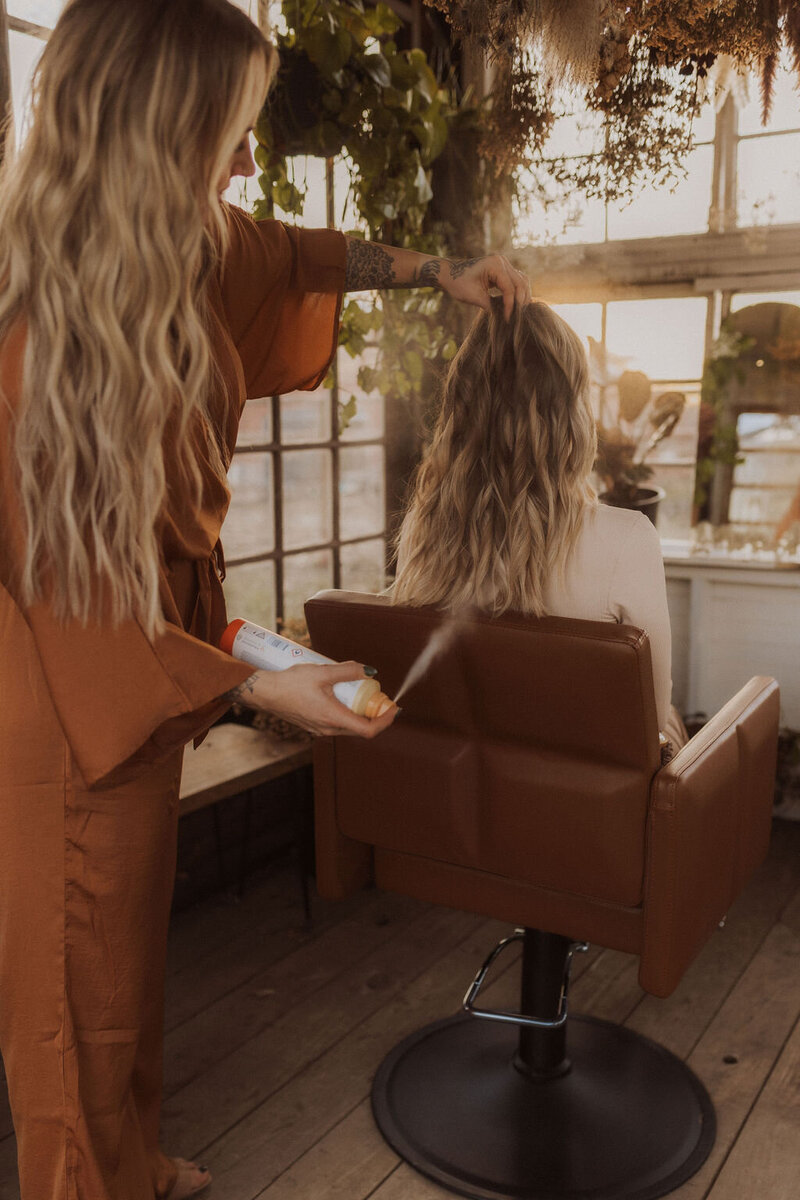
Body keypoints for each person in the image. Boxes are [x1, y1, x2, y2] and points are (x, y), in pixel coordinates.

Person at [0, 2, 530, 1198]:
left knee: (124, 980)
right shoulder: (34, 348)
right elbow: (78, 613)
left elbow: (303, 256)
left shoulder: (191, 249)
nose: (248, 162)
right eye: (231, 134)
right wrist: (263, 677)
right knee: (70, 1012)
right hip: (65, 712)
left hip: (145, 681)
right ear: (154, 136)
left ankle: (132, 1161)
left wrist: (437, 271)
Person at [392, 299, 687, 748]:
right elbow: (652, 713)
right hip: (582, 805)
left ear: (463, 409)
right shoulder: (627, 540)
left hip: (456, 793)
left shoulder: (423, 527)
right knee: (675, 722)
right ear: (572, 412)